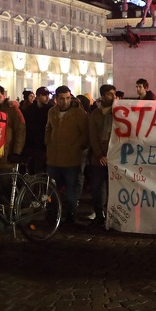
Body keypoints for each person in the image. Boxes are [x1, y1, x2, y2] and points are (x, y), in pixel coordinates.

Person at [46, 85, 89, 223]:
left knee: (71, 188)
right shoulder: (52, 112)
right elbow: (48, 128)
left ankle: (71, 215)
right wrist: (48, 143)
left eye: (68, 98)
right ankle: (52, 214)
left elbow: (85, 133)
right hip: (54, 157)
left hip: (71, 158)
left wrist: (77, 146)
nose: (65, 101)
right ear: (56, 99)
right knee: (52, 188)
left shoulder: (79, 113)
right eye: (62, 98)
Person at [88, 84, 116, 227]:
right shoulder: (95, 114)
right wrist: (99, 154)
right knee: (97, 188)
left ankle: (112, 216)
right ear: (103, 96)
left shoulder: (119, 112)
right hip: (98, 158)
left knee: (114, 189)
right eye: (110, 94)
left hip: (114, 157)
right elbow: (93, 136)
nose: (113, 97)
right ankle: (100, 214)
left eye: (114, 94)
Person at [22, 87, 53, 175]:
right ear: (38, 96)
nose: (47, 97)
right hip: (32, 146)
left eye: (48, 95)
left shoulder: (51, 109)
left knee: (42, 172)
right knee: (32, 171)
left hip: (44, 147)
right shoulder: (29, 110)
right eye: (44, 95)